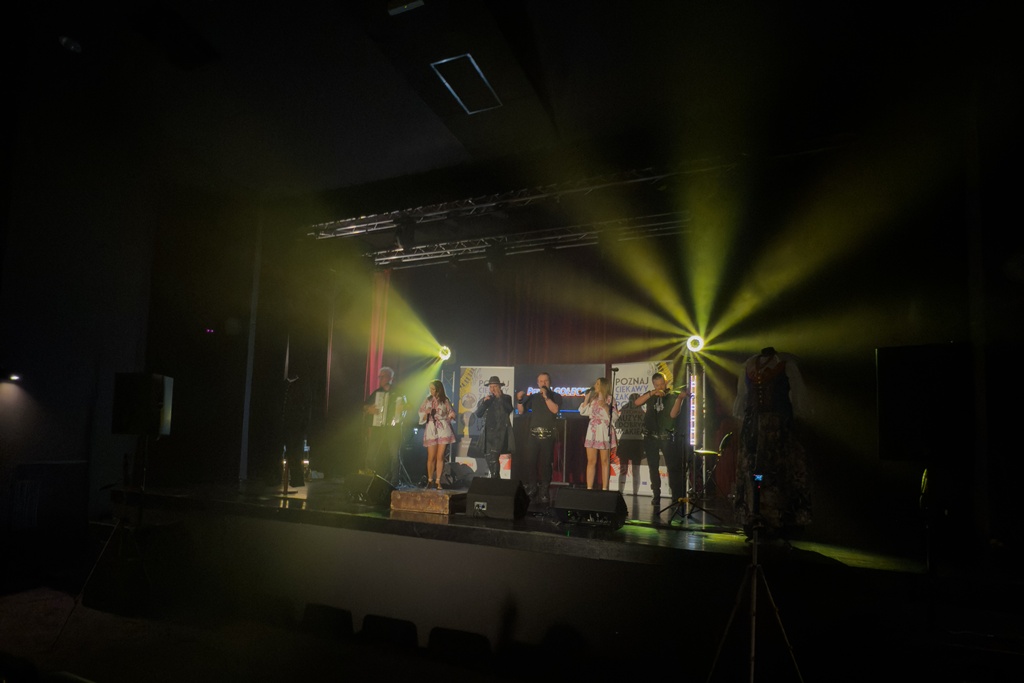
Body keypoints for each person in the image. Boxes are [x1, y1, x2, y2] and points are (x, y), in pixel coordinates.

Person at [732, 346, 811, 538]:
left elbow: (798, 400)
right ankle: (754, 515)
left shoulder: (785, 365)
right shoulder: (749, 366)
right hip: (754, 426)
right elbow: (743, 399)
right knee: (753, 472)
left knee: (776, 472)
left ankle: (777, 519)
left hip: (777, 427)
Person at [634, 372, 690, 505]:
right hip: (650, 436)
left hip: (665, 437)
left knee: (672, 466)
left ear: (666, 383)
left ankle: (676, 496)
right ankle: (656, 495)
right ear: (654, 385)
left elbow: (673, 415)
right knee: (653, 466)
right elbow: (636, 402)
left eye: (662, 384)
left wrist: (679, 399)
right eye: (657, 385)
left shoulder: (671, 396)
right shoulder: (651, 395)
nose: (660, 387)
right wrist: (653, 393)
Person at [515, 371, 563, 503]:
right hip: (533, 434)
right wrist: (519, 400)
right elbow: (521, 411)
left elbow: (555, 410)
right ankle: (533, 487)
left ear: (550, 382)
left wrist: (546, 397)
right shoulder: (534, 397)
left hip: (548, 434)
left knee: (546, 463)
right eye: (541, 381)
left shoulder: (555, 396)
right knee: (531, 462)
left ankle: (544, 490)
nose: (543, 383)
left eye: (545, 381)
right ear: (537, 383)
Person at [362, 366, 408, 486]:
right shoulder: (377, 393)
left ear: (389, 378)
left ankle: (395, 481)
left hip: (393, 428)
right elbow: (364, 406)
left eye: (382, 377)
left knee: (394, 455)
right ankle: (370, 478)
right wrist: (369, 409)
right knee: (371, 454)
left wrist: (402, 410)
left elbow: (406, 408)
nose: (380, 379)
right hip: (378, 427)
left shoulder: (399, 392)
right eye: (379, 377)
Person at [579, 377, 618, 490]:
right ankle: (589, 488)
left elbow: (615, 417)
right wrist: (586, 399)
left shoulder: (610, 399)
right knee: (591, 461)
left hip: (604, 430)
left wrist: (605, 406)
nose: (595, 385)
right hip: (592, 430)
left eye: (597, 384)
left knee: (605, 461)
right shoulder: (593, 399)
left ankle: (605, 489)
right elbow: (583, 412)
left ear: (603, 386)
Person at [417, 379, 456, 489]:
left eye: (433, 389)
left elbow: (451, 412)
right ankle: (430, 480)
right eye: (430, 389)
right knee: (431, 456)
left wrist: (450, 416)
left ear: (438, 389)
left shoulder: (445, 400)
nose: (431, 391)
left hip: (442, 428)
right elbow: (421, 412)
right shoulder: (428, 400)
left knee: (440, 456)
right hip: (431, 428)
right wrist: (426, 412)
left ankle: (438, 480)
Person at [474, 376, 516, 479]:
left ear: (500, 387)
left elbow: (509, 409)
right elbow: (478, 414)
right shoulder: (486, 399)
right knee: (488, 457)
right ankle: (496, 478)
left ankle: (495, 479)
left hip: (500, 433)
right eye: (491, 387)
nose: (493, 389)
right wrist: (484, 403)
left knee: (494, 456)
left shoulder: (506, 398)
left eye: (495, 386)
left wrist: (500, 398)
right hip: (488, 433)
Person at [615, 393, 645, 496]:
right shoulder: (642, 413)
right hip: (637, 441)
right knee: (636, 469)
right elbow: (645, 428)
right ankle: (635, 493)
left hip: (626, 440)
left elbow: (617, 424)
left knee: (623, 469)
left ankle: (620, 492)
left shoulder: (624, 410)